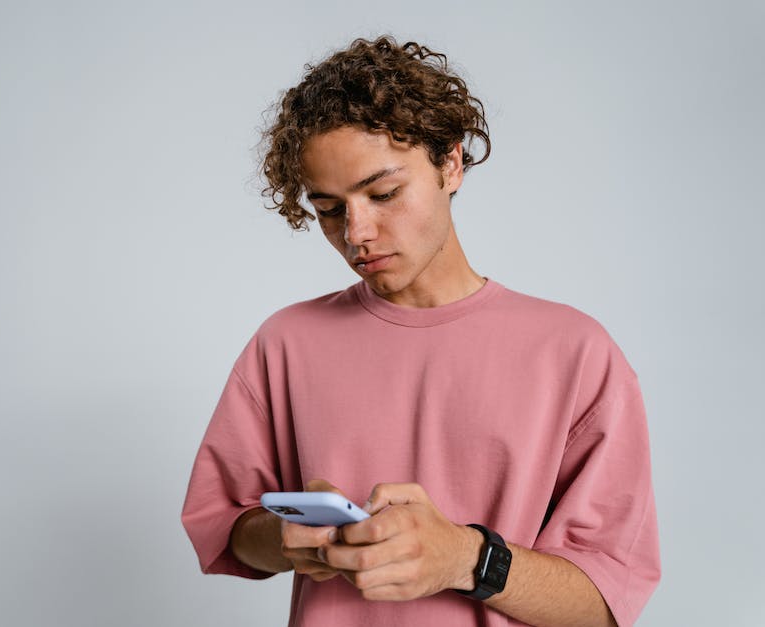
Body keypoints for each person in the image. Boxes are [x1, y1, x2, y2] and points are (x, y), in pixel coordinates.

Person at [181, 35, 660, 627]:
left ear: (450, 164)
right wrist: (286, 539)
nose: (357, 232)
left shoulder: (574, 352)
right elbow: (222, 526)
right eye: (329, 208)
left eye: (383, 193)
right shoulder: (285, 342)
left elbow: (607, 601)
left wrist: (465, 558)